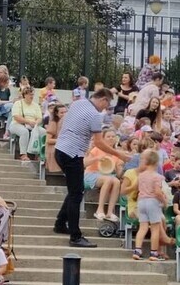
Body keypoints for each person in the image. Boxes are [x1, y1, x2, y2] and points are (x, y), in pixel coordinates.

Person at [52, 88, 127, 247]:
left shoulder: (78, 103)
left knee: (76, 188)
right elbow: (100, 142)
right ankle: (75, 236)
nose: (105, 109)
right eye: (107, 105)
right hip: (73, 154)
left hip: (60, 150)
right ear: (104, 100)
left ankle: (60, 223)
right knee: (76, 194)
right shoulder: (95, 115)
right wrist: (119, 154)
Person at [9, 86, 44, 165]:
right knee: (24, 132)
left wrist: (35, 123)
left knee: (43, 132)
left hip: (33, 125)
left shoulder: (36, 105)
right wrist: (28, 122)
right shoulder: (18, 103)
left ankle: (40, 154)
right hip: (17, 124)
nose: (31, 96)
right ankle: (23, 154)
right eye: (29, 94)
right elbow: (16, 117)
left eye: (32, 94)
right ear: (24, 95)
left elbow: (39, 118)